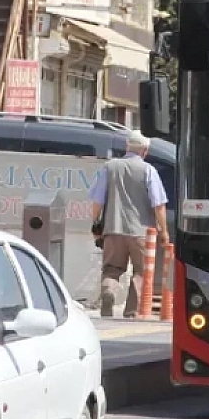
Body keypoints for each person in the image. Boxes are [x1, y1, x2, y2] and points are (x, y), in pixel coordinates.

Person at [89, 132, 170, 319]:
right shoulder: (149, 171)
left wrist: (95, 225)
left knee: (111, 269)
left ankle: (109, 291)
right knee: (141, 271)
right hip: (141, 232)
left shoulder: (109, 167)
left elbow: (97, 202)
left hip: (112, 229)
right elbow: (159, 205)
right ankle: (131, 311)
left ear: (127, 147)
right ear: (145, 150)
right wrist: (164, 231)